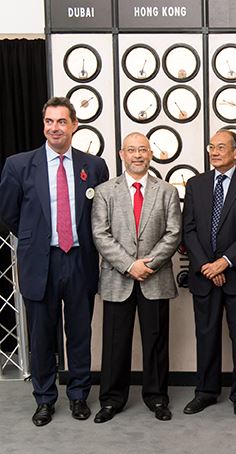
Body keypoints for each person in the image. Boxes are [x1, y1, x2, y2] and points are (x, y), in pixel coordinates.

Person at [0, 97, 109, 426]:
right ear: (43, 124)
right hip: (40, 262)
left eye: (61, 121)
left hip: (79, 261)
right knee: (42, 335)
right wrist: (36, 238)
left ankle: (78, 396)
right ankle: (45, 399)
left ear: (74, 125)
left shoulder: (95, 166)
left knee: (79, 334)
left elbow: (100, 214)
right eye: (49, 121)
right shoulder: (18, 165)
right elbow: (9, 214)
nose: (54, 128)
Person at [90, 132, 181, 423]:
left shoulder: (167, 191)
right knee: (115, 343)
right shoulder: (105, 191)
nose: (138, 155)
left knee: (156, 342)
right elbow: (100, 234)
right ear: (122, 154)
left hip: (155, 277)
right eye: (132, 150)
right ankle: (111, 400)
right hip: (118, 278)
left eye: (143, 149)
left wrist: (147, 264)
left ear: (150, 153)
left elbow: (173, 233)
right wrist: (130, 265)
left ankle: (157, 397)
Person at [182, 130, 236, 417]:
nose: (214, 152)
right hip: (204, 274)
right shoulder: (196, 184)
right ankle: (205, 391)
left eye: (221, 147)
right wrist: (208, 265)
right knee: (206, 335)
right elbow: (188, 229)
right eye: (211, 147)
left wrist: (225, 262)